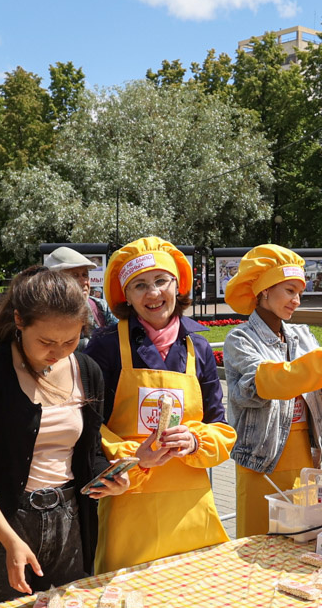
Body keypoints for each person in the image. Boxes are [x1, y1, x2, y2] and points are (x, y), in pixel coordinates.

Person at [0, 267, 131, 606]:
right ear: (19, 321)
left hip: (70, 523)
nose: (59, 351)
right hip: (2, 526)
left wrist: (111, 478)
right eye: (47, 342)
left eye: (71, 340)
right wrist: (10, 541)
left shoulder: (87, 371)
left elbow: (89, 454)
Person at [85, 236, 236, 571]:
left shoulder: (198, 346)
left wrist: (196, 440)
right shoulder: (106, 347)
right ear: (125, 295)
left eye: (161, 281)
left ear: (178, 285)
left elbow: (220, 426)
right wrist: (136, 458)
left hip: (191, 507)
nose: (153, 294)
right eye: (139, 285)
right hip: (130, 506)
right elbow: (90, 427)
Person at [223, 245, 322, 538]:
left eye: (299, 293)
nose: (296, 301)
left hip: (305, 457)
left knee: (299, 539)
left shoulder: (301, 335)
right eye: (289, 290)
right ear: (264, 290)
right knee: (259, 540)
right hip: (262, 460)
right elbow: (269, 383)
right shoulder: (240, 339)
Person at [43, 246, 117, 343]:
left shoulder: (101, 307)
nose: (84, 281)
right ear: (55, 281)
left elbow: (118, 341)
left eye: (85, 275)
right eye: (75, 276)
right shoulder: (43, 312)